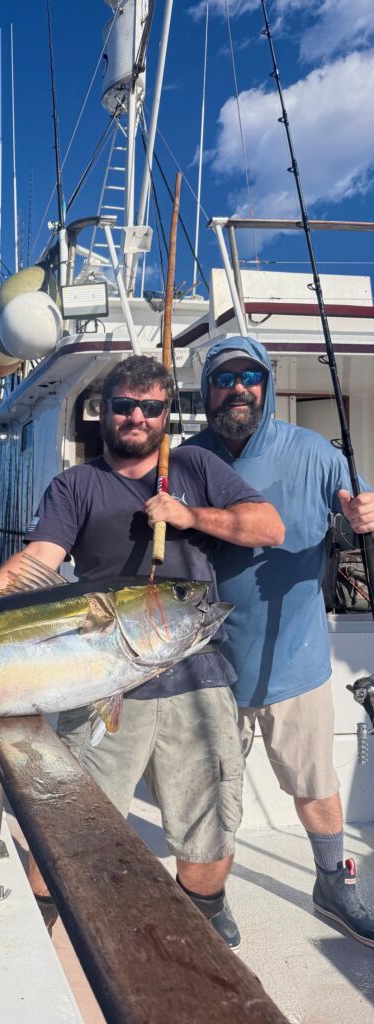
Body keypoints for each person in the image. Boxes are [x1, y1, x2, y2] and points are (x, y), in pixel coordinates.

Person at [0, 355, 284, 950]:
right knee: (75, 817)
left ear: (167, 413)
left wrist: (189, 515)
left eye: (152, 408)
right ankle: (43, 923)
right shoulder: (77, 484)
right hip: (99, 678)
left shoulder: (194, 466)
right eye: (125, 406)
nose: (137, 417)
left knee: (209, 821)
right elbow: (39, 559)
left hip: (196, 673)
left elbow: (268, 527)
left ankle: (204, 913)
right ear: (104, 411)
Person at [184, 335, 374, 947]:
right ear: (207, 390)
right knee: (213, 795)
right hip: (211, 666)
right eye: (224, 378)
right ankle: (208, 900)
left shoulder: (315, 453)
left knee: (316, 786)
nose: (238, 388)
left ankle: (330, 882)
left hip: (298, 661)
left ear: (264, 385)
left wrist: (364, 514)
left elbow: (357, 506)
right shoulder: (188, 459)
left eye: (250, 376)